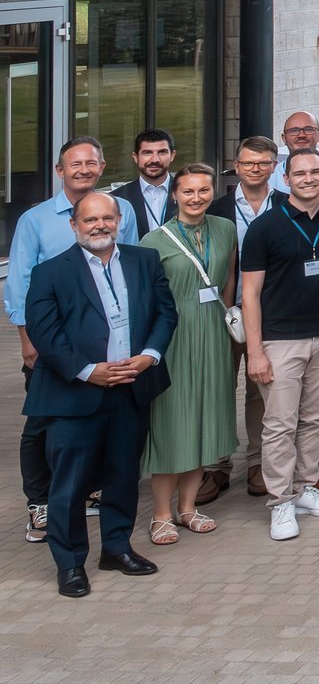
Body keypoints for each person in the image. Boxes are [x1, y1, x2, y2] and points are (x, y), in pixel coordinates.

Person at [23, 192, 176, 597]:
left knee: (123, 476)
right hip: (74, 396)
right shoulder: (50, 272)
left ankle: (116, 548)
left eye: (108, 218)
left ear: (120, 221)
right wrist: (88, 371)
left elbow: (165, 312)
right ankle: (71, 564)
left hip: (131, 387)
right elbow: (45, 333)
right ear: (74, 225)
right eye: (90, 220)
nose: (100, 226)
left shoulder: (144, 260)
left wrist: (149, 356)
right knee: (70, 485)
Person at [7, 137, 139, 545]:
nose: (84, 169)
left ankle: (93, 488)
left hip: (110, 342)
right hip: (54, 344)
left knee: (103, 417)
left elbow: (129, 266)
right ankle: (40, 503)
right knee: (44, 424)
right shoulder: (36, 219)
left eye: (91, 162)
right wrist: (28, 342)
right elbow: (19, 283)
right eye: (74, 163)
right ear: (60, 170)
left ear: (102, 166)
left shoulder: (123, 210)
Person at [241, 147, 319, 541]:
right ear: (285, 178)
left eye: (315, 172)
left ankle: (306, 487)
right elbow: (249, 294)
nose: (308, 179)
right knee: (279, 424)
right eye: (300, 173)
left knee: (316, 418)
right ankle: (280, 501)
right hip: (281, 341)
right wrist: (255, 351)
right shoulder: (264, 228)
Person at [140, 164, 237, 543]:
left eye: (203, 190)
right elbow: (147, 299)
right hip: (174, 338)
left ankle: (188, 507)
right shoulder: (154, 240)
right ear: (175, 195)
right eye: (188, 191)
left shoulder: (225, 229)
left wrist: (226, 317)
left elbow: (228, 278)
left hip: (213, 334)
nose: (196, 198)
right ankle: (161, 514)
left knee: (204, 422)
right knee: (172, 424)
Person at [206, 135, 283, 498]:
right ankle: (216, 466)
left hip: (273, 314)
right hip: (223, 314)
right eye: (248, 162)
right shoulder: (215, 208)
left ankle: (257, 462)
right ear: (236, 166)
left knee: (260, 391)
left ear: (274, 167)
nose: (255, 168)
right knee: (219, 389)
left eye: (264, 163)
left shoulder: (286, 205)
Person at [110, 128, 177, 235]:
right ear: (135, 157)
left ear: (172, 155)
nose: (155, 160)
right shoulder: (117, 199)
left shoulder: (188, 193)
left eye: (162, 152)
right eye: (147, 153)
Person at [267, 110, 319, 192]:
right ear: (284, 138)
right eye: (294, 131)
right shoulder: (269, 178)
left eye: (308, 129)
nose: (301, 135)